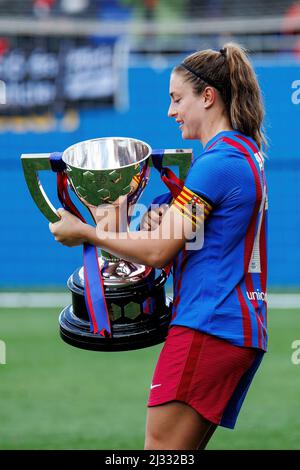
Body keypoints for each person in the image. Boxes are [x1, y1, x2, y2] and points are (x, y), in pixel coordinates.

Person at [49, 42, 268, 450]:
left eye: (176, 99)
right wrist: (156, 224)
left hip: (209, 325)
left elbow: (156, 253)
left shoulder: (218, 163)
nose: (171, 111)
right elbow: (199, 240)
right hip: (231, 328)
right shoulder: (241, 154)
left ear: (208, 97)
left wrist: (87, 233)